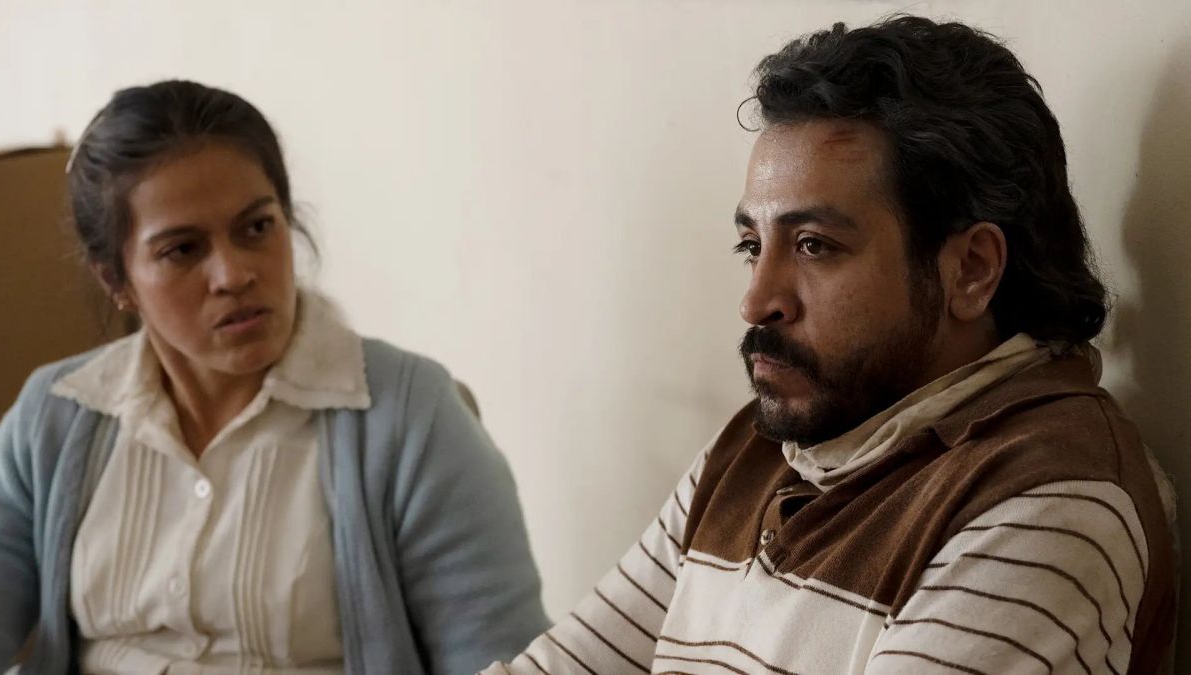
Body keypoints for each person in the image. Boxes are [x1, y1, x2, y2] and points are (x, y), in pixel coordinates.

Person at [485, 15, 1176, 674]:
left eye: (814, 245)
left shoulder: (1048, 501)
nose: (757, 301)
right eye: (752, 245)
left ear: (970, 269)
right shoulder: (755, 449)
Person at [0, 80, 549, 675]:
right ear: (116, 280)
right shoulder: (55, 417)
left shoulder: (412, 417)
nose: (233, 274)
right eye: (183, 250)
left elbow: (499, 656)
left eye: (256, 228)